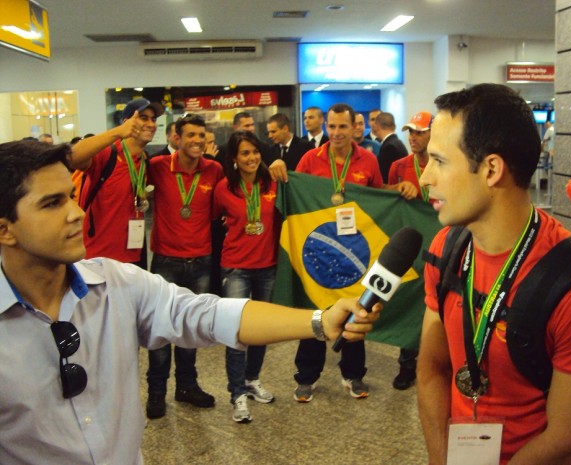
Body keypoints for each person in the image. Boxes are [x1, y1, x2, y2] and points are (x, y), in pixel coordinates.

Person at [0, 139, 381, 465]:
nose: (77, 212)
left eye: (71, 196)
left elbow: (208, 315)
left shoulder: (116, 283)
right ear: (5, 229)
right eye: (52, 203)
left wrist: (319, 321)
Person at [416, 83, 571, 465]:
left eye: (439, 161)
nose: (425, 177)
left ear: (491, 169)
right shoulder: (447, 248)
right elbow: (432, 369)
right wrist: (440, 457)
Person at [291, 103, 383, 402]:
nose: (336, 132)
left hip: (355, 251)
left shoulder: (368, 160)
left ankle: (353, 374)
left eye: (343, 126)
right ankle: (306, 376)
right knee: (315, 312)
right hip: (319, 249)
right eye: (331, 126)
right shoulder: (310, 159)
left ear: (355, 127)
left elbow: (378, 200)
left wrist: (401, 189)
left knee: (355, 313)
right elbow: (295, 194)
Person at [145, 114, 224, 419]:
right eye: (191, 135)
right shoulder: (158, 166)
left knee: (190, 328)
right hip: (166, 261)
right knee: (161, 328)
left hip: (201, 260)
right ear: (176, 138)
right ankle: (156, 392)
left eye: (201, 135)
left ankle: (187, 386)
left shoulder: (214, 169)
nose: (197, 141)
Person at [214, 131, 280, 423]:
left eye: (255, 151)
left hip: (268, 266)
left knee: (261, 329)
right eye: (244, 153)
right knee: (236, 331)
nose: (251, 158)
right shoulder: (223, 188)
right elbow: (213, 219)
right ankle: (237, 393)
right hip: (236, 267)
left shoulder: (273, 183)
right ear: (234, 159)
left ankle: (252, 379)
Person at [70, 97, 164, 268]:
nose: (151, 124)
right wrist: (118, 131)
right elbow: (72, 157)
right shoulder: (108, 154)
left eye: (153, 119)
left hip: (132, 256)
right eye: (143, 118)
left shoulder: (143, 159)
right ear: (127, 122)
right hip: (98, 258)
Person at [387, 110, 435, 390]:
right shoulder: (399, 166)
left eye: (420, 132)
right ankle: (407, 365)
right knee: (410, 302)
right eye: (411, 132)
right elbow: (385, 194)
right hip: (413, 247)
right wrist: (397, 187)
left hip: (441, 244)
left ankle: (438, 363)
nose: (413, 137)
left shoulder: (444, 164)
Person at [374, 112, 408, 183]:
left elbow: (384, 177)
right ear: (394, 126)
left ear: (377, 126)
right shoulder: (398, 143)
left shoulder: (388, 147)